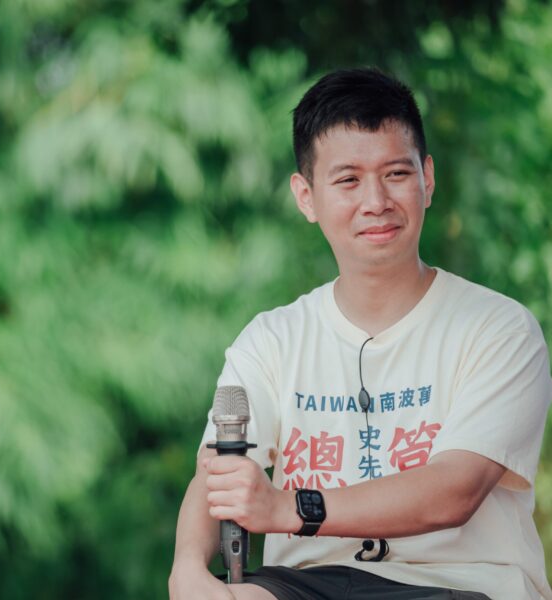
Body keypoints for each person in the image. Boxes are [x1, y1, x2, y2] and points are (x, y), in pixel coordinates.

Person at [168, 68, 552, 600]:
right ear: (306, 196)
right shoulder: (270, 340)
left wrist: (289, 507)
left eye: (396, 174)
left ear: (427, 179)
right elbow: (216, 471)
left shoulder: (499, 329)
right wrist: (187, 569)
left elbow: (454, 492)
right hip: (307, 584)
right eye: (348, 180)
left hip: (459, 584)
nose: (376, 201)